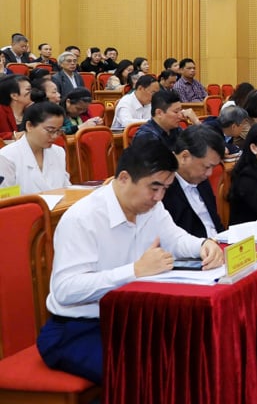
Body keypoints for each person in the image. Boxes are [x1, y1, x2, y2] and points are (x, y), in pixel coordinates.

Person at [37, 139, 224, 384]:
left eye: (165, 188)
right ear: (124, 178)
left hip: (131, 320)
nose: (159, 197)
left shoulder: (152, 207)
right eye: (154, 187)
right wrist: (134, 271)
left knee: (198, 349)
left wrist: (203, 245)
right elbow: (65, 290)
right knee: (150, 374)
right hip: (77, 329)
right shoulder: (83, 218)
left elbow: (175, 238)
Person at [162, 125, 226, 239]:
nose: (209, 173)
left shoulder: (200, 178)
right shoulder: (161, 187)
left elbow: (215, 223)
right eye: (207, 167)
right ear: (185, 157)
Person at [0, 102, 71, 194]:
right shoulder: (6, 157)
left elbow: (66, 188)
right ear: (29, 126)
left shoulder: (59, 152)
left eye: (58, 131)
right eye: (50, 130)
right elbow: (6, 199)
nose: (54, 136)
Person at [133, 89, 199, 151]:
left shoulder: (175, 129)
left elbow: (198, 146)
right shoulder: (146, 136)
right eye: (176, 112)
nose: (180, 115)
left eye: (180, 110)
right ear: (159, 113)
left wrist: (196, 121)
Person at [0, 74, 32, 140]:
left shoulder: (33, 111)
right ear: (14, 96)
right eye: (28, 89)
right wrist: (13, 136)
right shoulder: (1, 111)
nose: (33, 93)